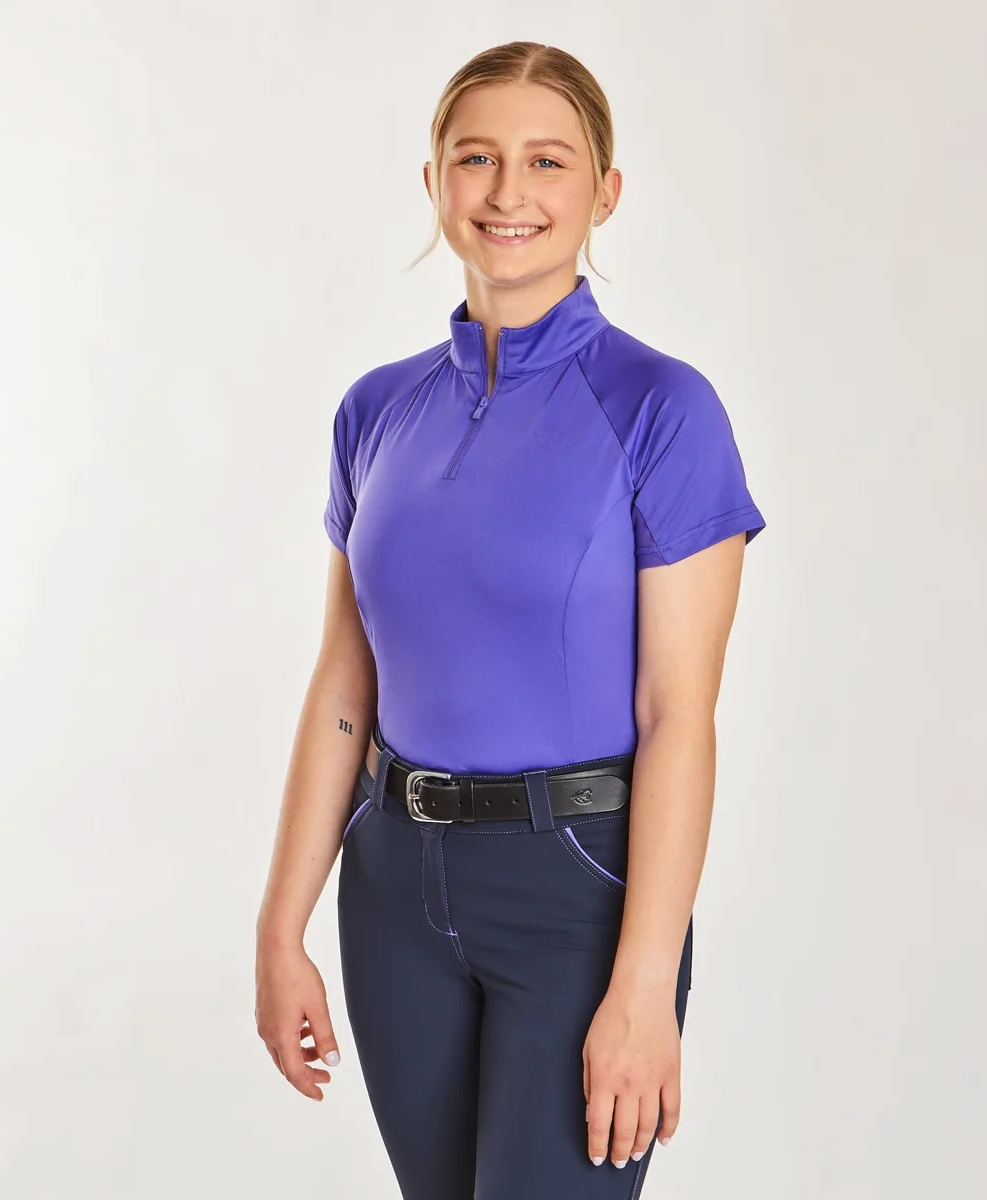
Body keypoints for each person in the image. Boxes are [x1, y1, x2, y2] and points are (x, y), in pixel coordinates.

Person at [255, 40, 766, 1200]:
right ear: (434, 180)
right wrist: (282, 930)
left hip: (575, 891)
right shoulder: (376, 410)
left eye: (547, 160)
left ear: (605, 192)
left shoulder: (663, 410)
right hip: (392, 890)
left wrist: (644, 985)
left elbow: (677, 715)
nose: (507, 191)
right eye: (476, 157)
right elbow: (344, 686)